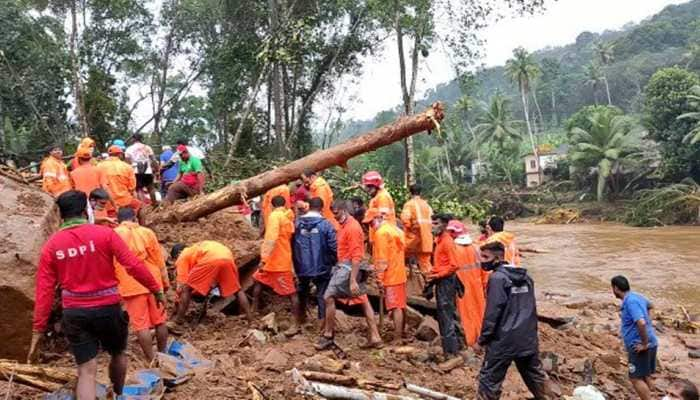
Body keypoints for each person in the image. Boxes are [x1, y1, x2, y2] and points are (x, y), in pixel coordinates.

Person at [28, 190, 163, 399]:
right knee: (118, 353)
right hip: (108, 308)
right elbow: (133, 265)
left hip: (75, 313)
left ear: (60, 215)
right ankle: (118, 394)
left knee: (86, 370)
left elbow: (44, 290)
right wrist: (155, 289)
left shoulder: (51, 247)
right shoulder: (105, 234)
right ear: (85, 210)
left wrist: (38, 328)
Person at [475, 241, 549, 400]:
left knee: (489, 381)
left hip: (503, 341)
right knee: (536, 378)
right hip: (527, 338)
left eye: (485, 257)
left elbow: (492, 313)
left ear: (497, 258)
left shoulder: (497, 279)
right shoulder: (527, 278)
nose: (482, 260)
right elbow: (532, 309)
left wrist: (483, 339)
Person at [320, 200, 382, 349]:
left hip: (348, 269)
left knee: (328, 297)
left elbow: (356, 257)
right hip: (347, 267)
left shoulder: (352, 228)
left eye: (336, 213)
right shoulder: (344, 226)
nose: (334, 216)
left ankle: (328, 335)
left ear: (344, 210)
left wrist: (353, 280)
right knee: (364, 300)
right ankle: (375, 336)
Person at [114, 207, 169, 362]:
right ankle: (164, 355)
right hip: (153, 281)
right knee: (160, 321)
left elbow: (111, 263)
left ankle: (151, 360)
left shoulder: (115, 234)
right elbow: (159, 261)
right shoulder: (147, 233)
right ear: (135, 218)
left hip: (130, 284)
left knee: (141, 325)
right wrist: (164, 284)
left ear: (119, 221)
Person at [171, 240, 251, 327]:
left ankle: (178, 320)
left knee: (186, 289)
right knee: (237, 290)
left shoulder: (183, 255)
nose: (176, 262)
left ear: (178, 253)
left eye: (175, 259)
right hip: (227, 257)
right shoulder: (197, 249)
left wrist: (177, 302)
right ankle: (250, 318)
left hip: (211, 259)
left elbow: (181, 285)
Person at [252, 195, 301, 335]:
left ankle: (296, 324)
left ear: (272, 205)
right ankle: (253, 312)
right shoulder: (288, 217)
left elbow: (271, 239)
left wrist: (264, 259)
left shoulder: (275, 217)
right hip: (282, 259)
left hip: (276, 261)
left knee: (291, 293)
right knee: (257, 280)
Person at [611, 275, 659, 400]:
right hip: (651, 341)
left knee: (635, 378)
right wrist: (649, 322)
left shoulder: (630, 301)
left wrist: (644, 343)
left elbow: (641, 322)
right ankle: (653, 394)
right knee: (645, 374)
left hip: (638, 346)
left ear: (615, 288)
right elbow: (651, 306)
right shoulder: (637, 296)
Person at [364, 207, 406, 342]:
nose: (371, 226)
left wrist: (379, 279)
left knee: (395, 306)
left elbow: (382, 259)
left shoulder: (381, 234)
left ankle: (397, 338)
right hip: (399, 272)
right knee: (400, 304)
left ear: (378, 218)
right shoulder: (395, 229)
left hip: (391, 276)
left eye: (371, 223)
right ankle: (400, 333)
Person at [292, 197, 337, 325]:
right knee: (322, 294)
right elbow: (333, 246)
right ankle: (322, 324)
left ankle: (300, 319)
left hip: (302, 266)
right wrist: (334, 261)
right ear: (322, 208)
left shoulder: (297, 224)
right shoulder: (326, 224)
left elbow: (291, 243)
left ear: (309, 206)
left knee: (302, 291)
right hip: (322, 265)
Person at [428, 216, 464, 357]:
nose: (432, 226)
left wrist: (437, 275)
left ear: (444, 225)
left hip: (446, 281)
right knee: (446, 314)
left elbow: (454, 265)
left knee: (446, 316)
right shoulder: (439, 240)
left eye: (436, 223)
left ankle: (451, 352)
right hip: (442, 279)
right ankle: (453, 348)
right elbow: (443, 263)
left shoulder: (447, 242)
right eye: (432, 223)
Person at [450, 222, 489, 347]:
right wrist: (485, 286)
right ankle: (483, 339)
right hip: (476, 285)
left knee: (465, 314)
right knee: (480, 312)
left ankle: (470, 341)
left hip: (461, 286)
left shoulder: (453, 249)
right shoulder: (477, 247)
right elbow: (485, 269)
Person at [98, 145, 143, 224]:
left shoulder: (99, 166)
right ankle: (141, 227)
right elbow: (132, 188)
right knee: (140, 206)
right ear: (120, 155)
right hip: (125, 202)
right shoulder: (127, 167)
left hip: (106, 204)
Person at [400, 184, 433, 275]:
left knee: (401, 257)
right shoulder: (427, 205)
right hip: (427, 239)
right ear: (420, 192)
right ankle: (430, 285)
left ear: (410, 193)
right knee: (426, 265)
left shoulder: (409, 204)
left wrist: (410, 229)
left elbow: (405, 220)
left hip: (413, 239)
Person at [361, 171, 396, 243]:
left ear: (375, 185)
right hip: (379, 237)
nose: (367, 189)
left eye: (369, 187)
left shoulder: (383, 197)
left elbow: (382, 220)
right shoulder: (377, 197)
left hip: (385, 238)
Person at [125, 133, 158, 205]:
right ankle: (155, 205)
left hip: (136, 170)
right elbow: (153, 159)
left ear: (133, 139)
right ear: (141, 139)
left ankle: (142, 207)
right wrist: (157, 169)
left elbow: (128, 163)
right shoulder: (148, 147)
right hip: (147, 170)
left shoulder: (129, 149)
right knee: (151, 188)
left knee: (138, 189)